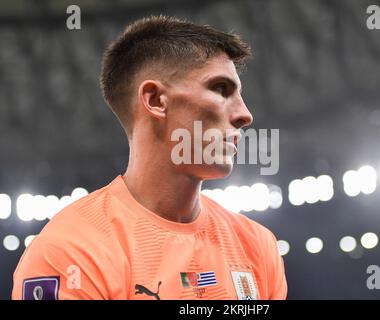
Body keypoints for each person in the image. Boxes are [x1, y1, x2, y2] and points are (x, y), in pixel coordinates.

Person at [12, 15, 287, 300]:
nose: (245, 115)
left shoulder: (257, 245)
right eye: (221, 89)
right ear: (155, 100)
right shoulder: (71, 249)